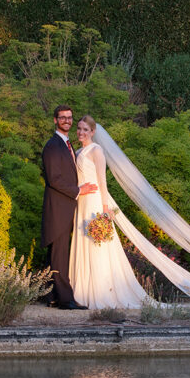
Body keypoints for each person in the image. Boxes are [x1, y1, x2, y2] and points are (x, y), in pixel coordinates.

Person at [69, 115, 152, 309]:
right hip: (81, 201)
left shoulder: (96, 151)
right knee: (82, 240)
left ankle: (99, 292)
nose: (81, 132)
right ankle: (81, 292)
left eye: (85, 130)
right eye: (79, 129)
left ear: (93, 132)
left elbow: (102, 180)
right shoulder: (79, 150)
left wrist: (105, 209)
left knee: (95, 243)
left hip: (94, 201)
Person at [40, 105, 97, 310]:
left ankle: (52, 296)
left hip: (66, 207)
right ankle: (65, 300)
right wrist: (78, 190)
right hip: (58, 208)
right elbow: (53, 179)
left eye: (69, 117)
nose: (67, 120)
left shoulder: (66, 144)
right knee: (59, 255)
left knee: (56, 255)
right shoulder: (53, 146)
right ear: (55, 120)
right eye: (62, 117)